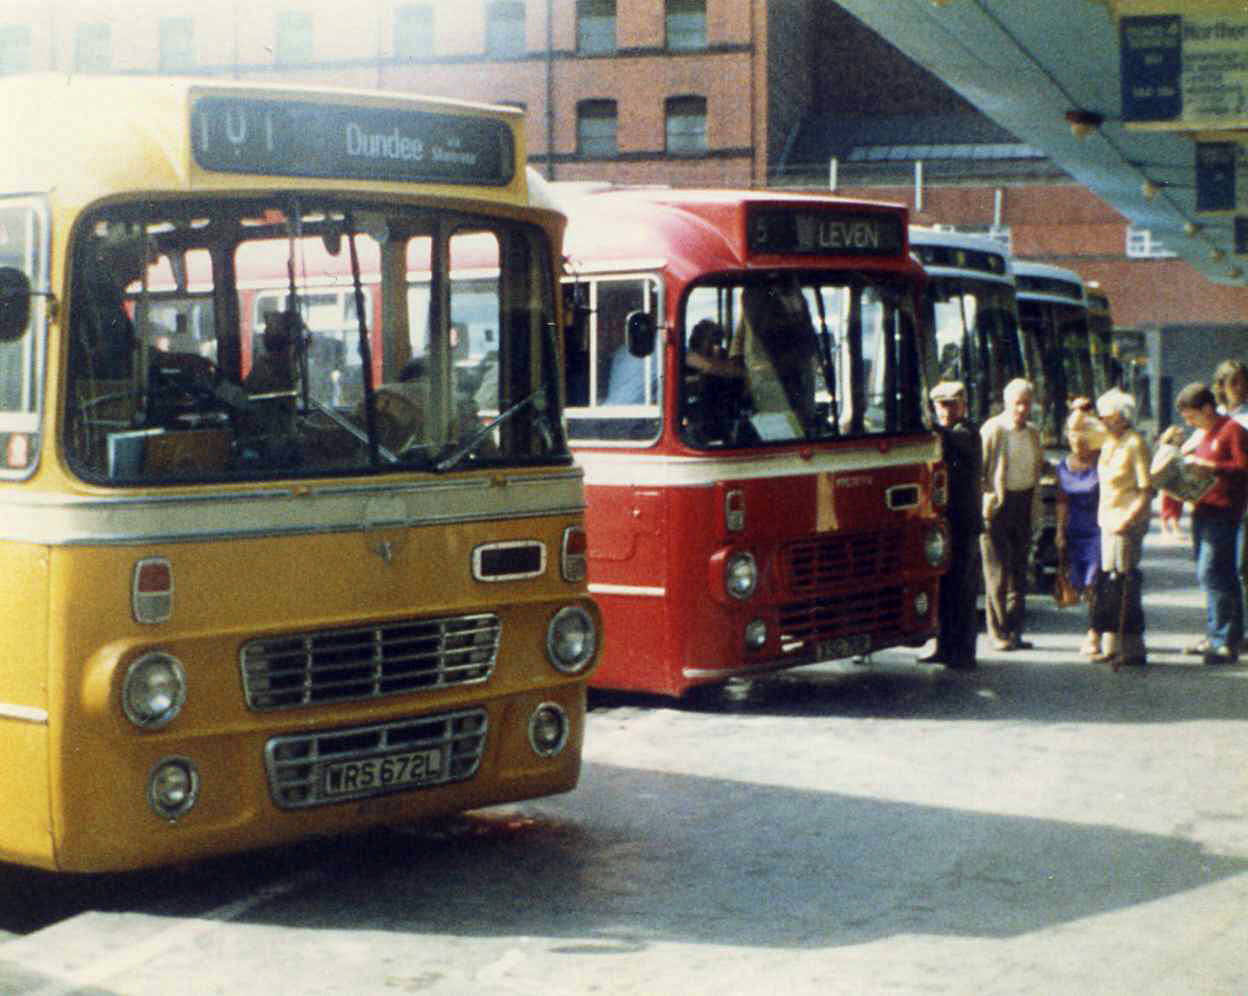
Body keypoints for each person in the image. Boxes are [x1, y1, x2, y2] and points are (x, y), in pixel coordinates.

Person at [1176, 382, 1248, 665]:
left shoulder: (1232, 431)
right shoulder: (1206, 434)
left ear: (1207, 408)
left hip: (1223, 511)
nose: (1190, 422)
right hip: (1203, 510)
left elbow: (1243, 468)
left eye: (1192, 416)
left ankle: (1223, 639)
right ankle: (1222, 634)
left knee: (1213, 572)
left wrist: (1211, 468)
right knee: (1215, 575)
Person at [979, 377, 1046, 651]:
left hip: (1024, 503)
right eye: (1018, 403)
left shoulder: (1032, 432)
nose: (1022, 409)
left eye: (1026, 403)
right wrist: (986, 501)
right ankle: (998, 632)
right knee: (998, 572)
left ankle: (1015, 631)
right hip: (998, 507)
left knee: (1020, 571)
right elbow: (980, 471)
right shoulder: (994, 429)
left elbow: (1038, 468)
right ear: (1007, 403)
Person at [919, 381, 981, 669]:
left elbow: (955, 441)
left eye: (951, 405)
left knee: (963, 590)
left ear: (962, 406)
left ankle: (964, 651)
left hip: (964, 522)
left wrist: (930, 424)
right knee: (944, 589)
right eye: (941, 406)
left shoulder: (967, 432)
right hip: (944, 521)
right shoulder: (944, 435)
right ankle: (944, 646)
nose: (946, 411)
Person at [1090, 388, 1152, 668]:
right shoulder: (1109, 442)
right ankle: (1111, 644)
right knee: (1110, 584)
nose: (1102, 421)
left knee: (1126, 583)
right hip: (1107, 520)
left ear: (1122, 417)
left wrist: (1129, 519)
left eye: (1108, 416)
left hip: (1127, 522)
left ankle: (1134, 647)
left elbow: (1145, 489)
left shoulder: (1135, 443)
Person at [1055, 407, 1105, 656]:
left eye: (1083, 436)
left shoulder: (1101, 461)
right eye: (1073, 436)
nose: (1078, 442)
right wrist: (1060, 532)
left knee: (1094, 583)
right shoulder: (1063, 466)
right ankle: (1096, 627)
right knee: (1082, 587)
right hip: (1075, 530)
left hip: (1098, 530)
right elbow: (1062, 500)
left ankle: (1094, 633)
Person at [1213, 360, 1248, 629]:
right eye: (1234, 381)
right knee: (1216, 569)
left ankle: (1239, 628)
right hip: (1217, 504)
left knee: (1240, 567)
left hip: (1243, 502)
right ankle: (1223, 628)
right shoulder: (1213, 417)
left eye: (1243, 380)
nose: (1241, 387)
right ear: (1221, 386)